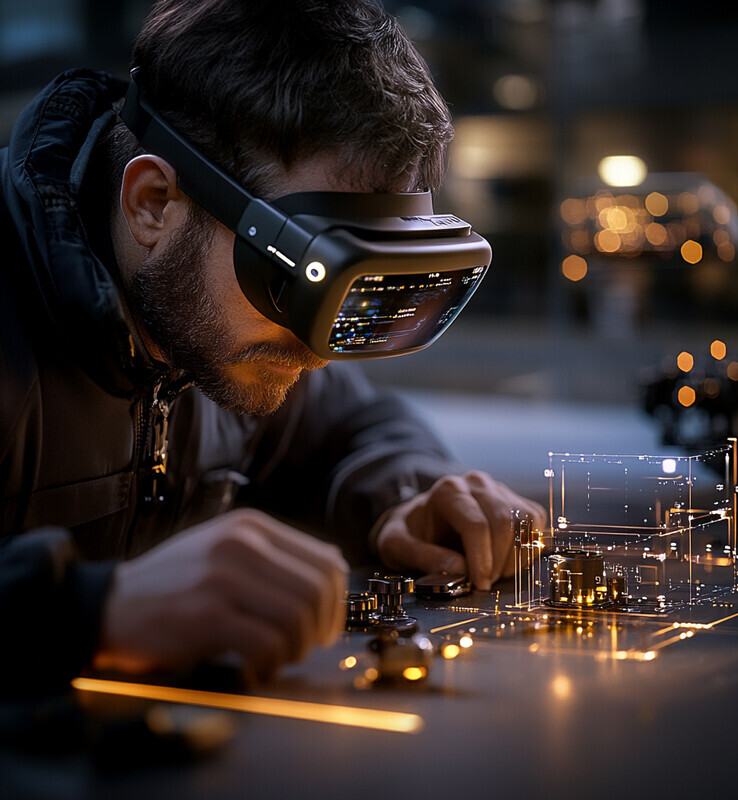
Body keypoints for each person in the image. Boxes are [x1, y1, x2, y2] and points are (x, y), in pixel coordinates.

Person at [0, 0, 544, 694]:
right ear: (153, 202)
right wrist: (82, 612)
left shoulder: (224, 335)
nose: (316, 353)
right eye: (298, 281)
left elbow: (352, 427)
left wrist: (406, 498)